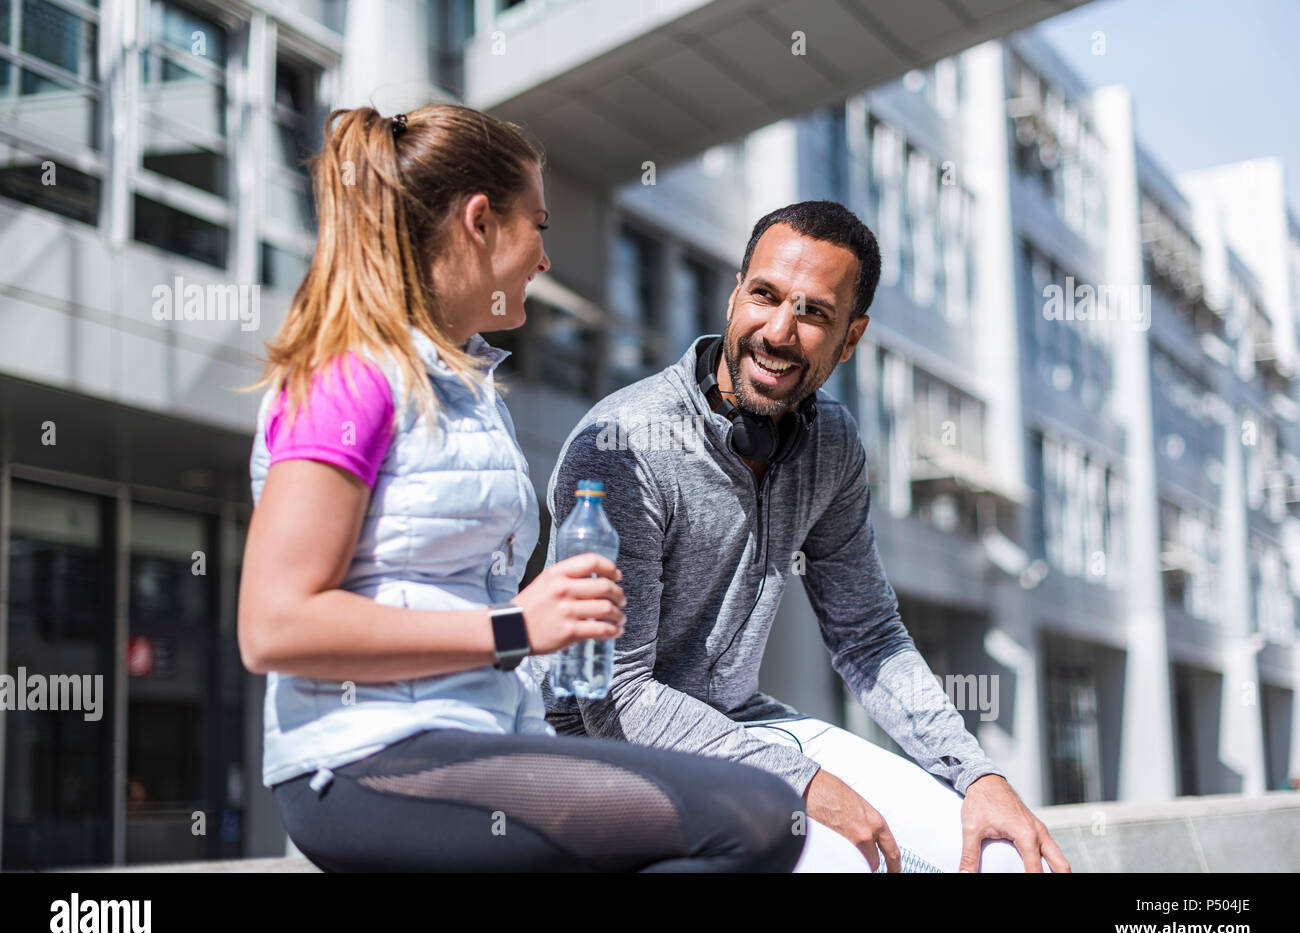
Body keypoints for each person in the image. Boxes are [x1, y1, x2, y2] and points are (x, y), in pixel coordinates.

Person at [235, 103, 806, 872]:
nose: (543, 258)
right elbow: (274, 625)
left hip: (476, 737)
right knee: (758, 815)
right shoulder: (352, 377)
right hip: (363, 758)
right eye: (536, 226)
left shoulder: (462, 386)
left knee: (745, 811)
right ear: (479, 221)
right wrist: (514, 626)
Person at [537, 200, 1072, 873]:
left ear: (851, 337)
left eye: (815, 312)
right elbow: (612, 696)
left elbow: (869, 634)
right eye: (764, 296)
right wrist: (802, 780)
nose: (779, 331)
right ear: (734, 296)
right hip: (601, 753)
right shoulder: (623, 443)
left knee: (1010, 861)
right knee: (849, 863)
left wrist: (979, 774)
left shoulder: (835, 442)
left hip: (742, 726)